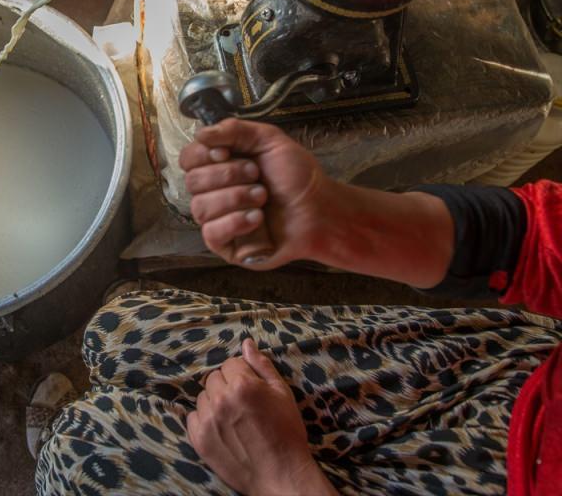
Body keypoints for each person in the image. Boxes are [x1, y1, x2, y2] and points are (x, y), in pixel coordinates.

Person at [28, 119, 561, 496]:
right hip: (514, 385)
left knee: (80, 454)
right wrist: (329, 216)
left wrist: (280, 474)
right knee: (121, 332)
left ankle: (69, 442)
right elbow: (538, 240)